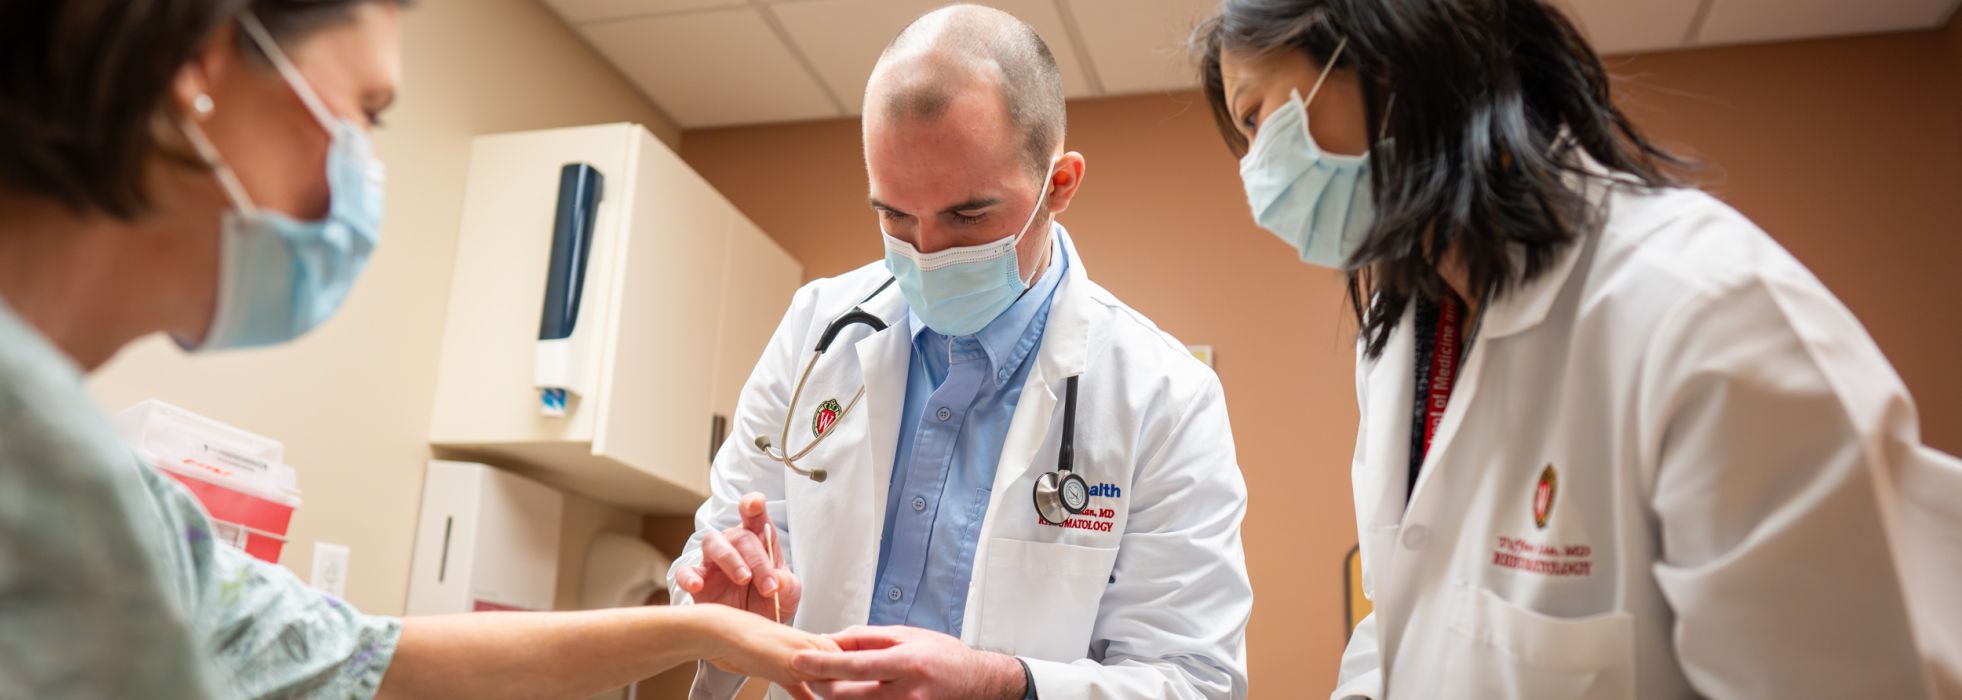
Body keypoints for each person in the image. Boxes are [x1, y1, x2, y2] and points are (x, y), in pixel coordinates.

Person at [0, 1, 837, 697]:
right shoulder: (45, 471)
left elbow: (359, 654)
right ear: (199, 72)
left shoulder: (114, 505)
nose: (360, 177)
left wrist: (697, 629)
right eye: (364, 114)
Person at [1191, 0, 1962, 697]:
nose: (1257, 172)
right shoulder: (1404, 343)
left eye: (1259, 120)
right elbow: (1409, 617)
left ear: (1390, 54)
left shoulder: (1701, 313)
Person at [667, 5, 1252, 699]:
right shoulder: (815, 328)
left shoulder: (1165, 396)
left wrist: (998, 685)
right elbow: (725, 560)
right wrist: (727, 620)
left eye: (967, 215)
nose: (927, 252)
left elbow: (1194, 683)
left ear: (1058, 186)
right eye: (893, 216)